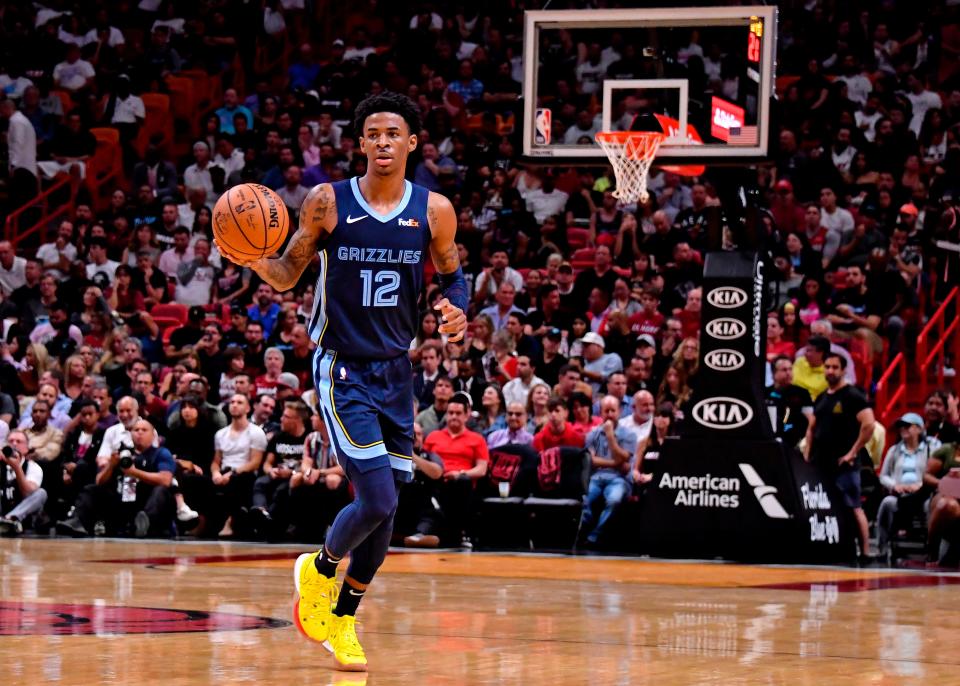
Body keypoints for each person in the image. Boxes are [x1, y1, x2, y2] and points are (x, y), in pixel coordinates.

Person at [217, 92, 468, 671]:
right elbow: (286, 274)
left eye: (393, 133)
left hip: (396, 372)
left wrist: (456, 311)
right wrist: (251, 254)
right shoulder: (328, 203)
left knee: (388, 507)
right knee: (375, 495)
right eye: (372, 133)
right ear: (360, 144)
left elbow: (455, 277)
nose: (382, 141)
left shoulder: (435, 211)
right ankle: (321, 567)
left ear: (411, 144)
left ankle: (343, 620)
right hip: (342, 367)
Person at [804, 354, 875, 559]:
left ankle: (866, 551)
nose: (830, 371)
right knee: (823, 505)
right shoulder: (822, 397)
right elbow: (811, 427)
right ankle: (828, 546)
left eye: (835, 367)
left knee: (853, 506)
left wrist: (852, 452)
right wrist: (808, 454)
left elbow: (869, 423)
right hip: (821, 462)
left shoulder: (852, 395)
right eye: (827, 367)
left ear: (844, 370)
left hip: (844, 463)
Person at [57, 418, 174, 538]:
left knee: (161, 491)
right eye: (136, 430)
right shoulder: (122, 453)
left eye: (144, 430)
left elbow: (165, 480)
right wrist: (111, 465)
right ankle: (78, 521)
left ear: (152, 434)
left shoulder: (161, 453)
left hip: (145, 500)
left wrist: (134, 472)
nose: (139, 432)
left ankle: (144, 523)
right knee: (92, 489)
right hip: (121, 500)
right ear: (130, 434)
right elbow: (99, 481)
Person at [578, 395, 638, 548]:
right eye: (606, 411)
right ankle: (583, 530)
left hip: (620, 479)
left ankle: (594, 536)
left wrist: (611, 437)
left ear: (620, 411)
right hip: (597, 477)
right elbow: (592, 460)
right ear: (601, 413)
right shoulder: (593, 434)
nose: (610, 414)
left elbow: (624, 464)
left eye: (613, 410)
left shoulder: (629, 434)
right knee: (585, 499)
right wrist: (615, 462)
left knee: (614, 499)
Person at [877, 413, 940, 556]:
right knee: (887, 503)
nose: (903, 429)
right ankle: (882, 547)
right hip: (901, 495)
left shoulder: (931, 448)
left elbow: (936, 473)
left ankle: (932, 548)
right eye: (901, 427)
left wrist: (920, 484)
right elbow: (883, 476)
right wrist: (895, 485)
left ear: (919, 429)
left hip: (923, 494)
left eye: (907, 426)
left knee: (930, 506)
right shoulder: (894, 450)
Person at [0, 430, 47, 536]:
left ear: (26, 448)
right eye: (11, 441)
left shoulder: (33, 467)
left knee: (41, 493)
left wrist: (17, 468)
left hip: (24, 514)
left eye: (18, 441)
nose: (14, 444)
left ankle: (10, 519)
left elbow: (28, 493)